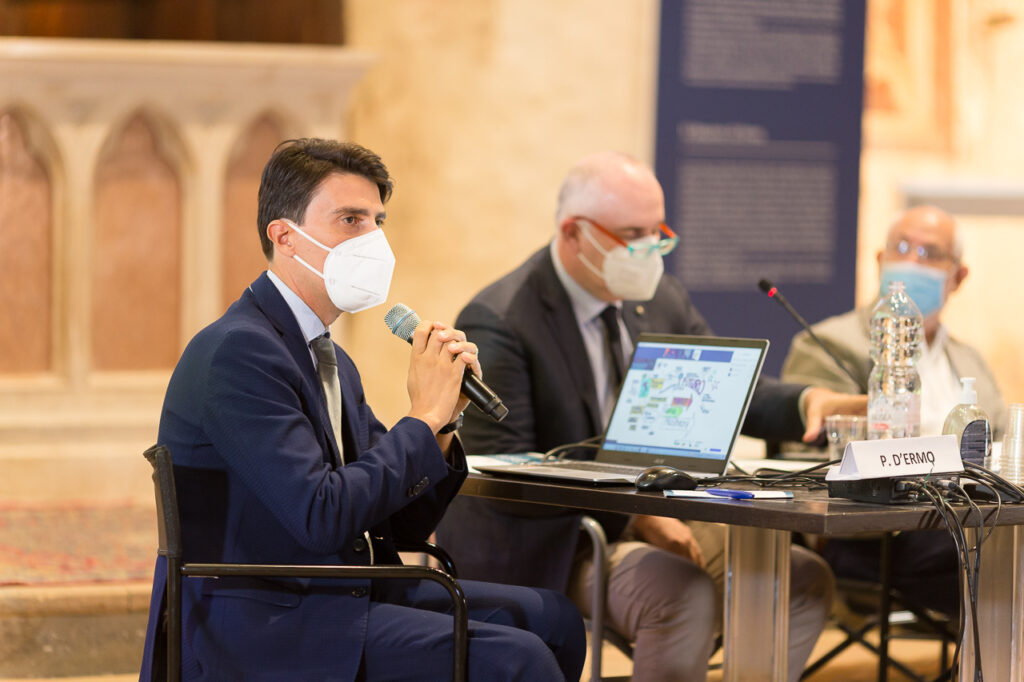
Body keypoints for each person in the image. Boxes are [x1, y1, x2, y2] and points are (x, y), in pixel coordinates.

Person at [138, 138, 585, 681]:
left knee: (555, 619)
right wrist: (422, 416)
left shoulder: (329, 358)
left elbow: (403, 520)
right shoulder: (239, 352)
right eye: (350, 220)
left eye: (377, 221)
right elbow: (321, 517)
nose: (373, 239)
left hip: (336, 592)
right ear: (284, 236)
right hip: (266, 618)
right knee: (518, 658)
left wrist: (444, 421)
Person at [436, 151, 866, 682]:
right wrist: (637, 515)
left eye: (657, 232)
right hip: (550, 540)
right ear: (574, 233)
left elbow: (726, 387)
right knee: (678, 591)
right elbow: (510, 472)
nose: (650, 248)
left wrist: (809, 401)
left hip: (641, 515)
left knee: (799, 578)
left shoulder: (658, 297)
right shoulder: (503, 318)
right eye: (632, 234)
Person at [781, 204, 1007, 617]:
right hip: (877, 536)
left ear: (958, 277)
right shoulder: (828, 343)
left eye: (929, 253)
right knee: (999, 560)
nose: (911, 262)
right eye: (901, 248)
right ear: (879, 260)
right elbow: (811, 458)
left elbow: (1001, 445)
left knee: (1002, 548)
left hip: (968, 521)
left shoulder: (970, 360)